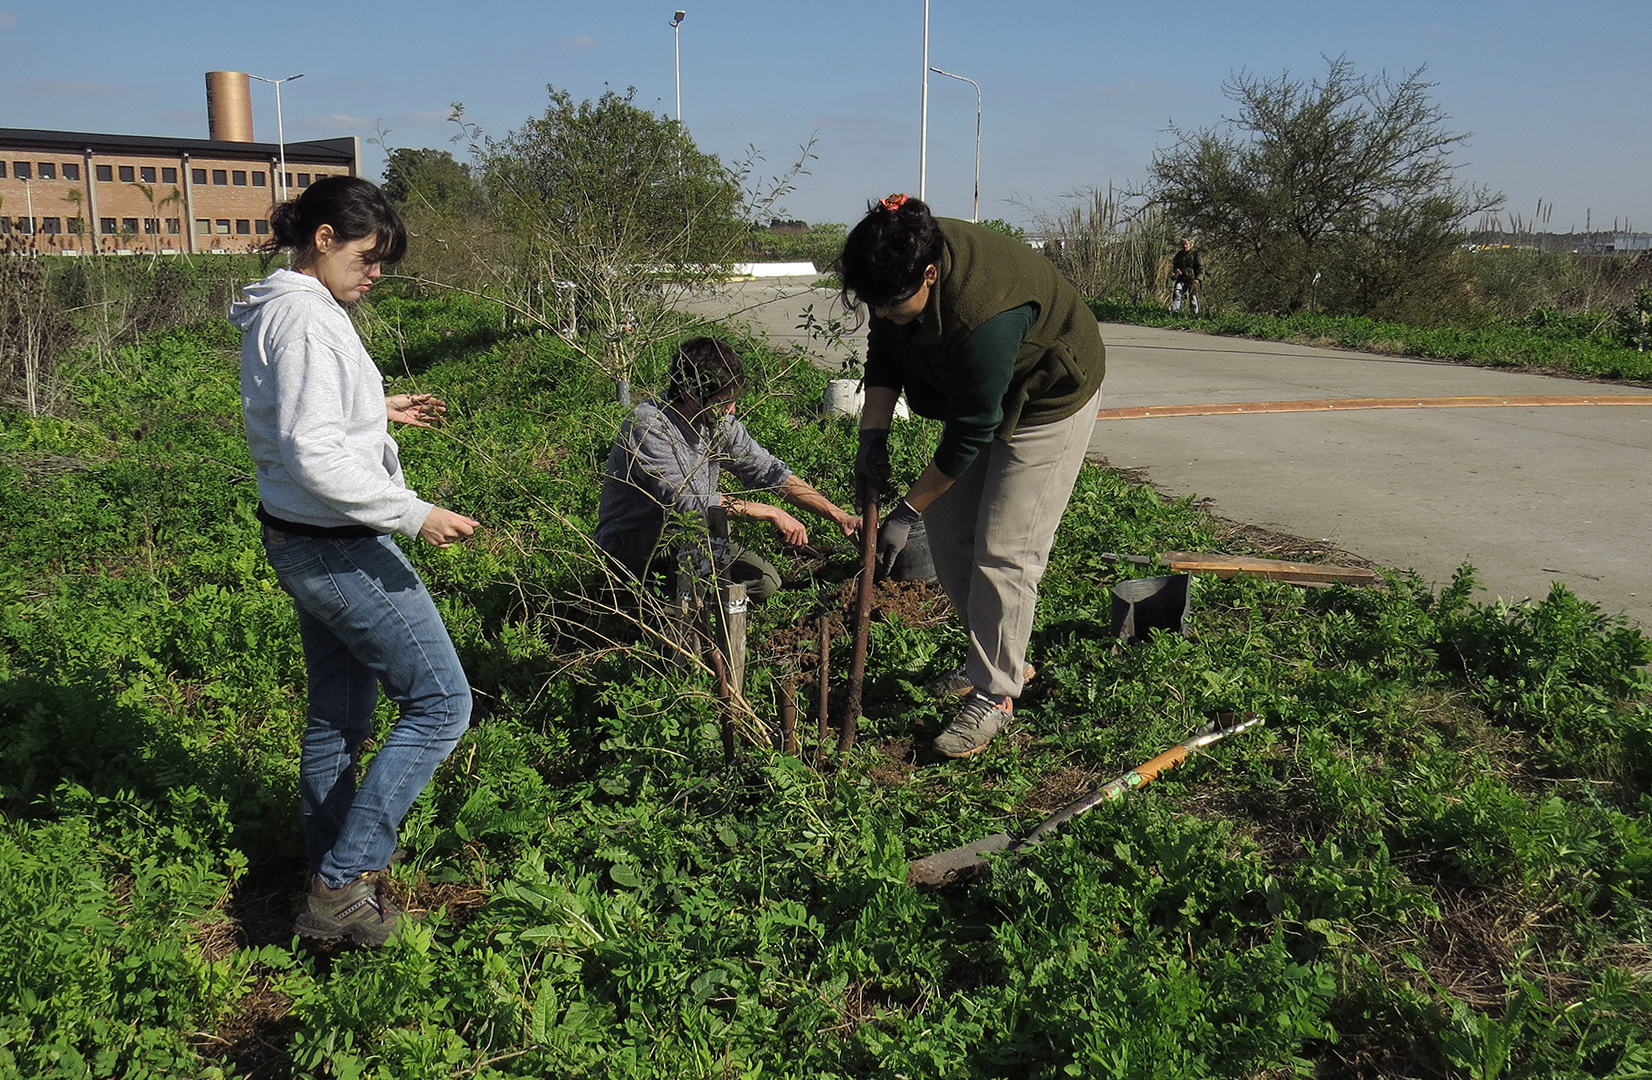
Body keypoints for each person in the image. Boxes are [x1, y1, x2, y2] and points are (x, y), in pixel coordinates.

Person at [231, 176, 478, 946]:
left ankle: (324, 872)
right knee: (443, 704)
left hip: (301, 538)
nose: (376, 274)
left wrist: (379, 411)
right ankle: (344, 884)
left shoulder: (296, 306)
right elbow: (309, 451)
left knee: (338, 718)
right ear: (326, 240)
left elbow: (307, 418)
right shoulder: (306, 319)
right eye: (369, 258)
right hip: (337, 546)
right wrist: (415, 514)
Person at [839, 194, 1106, 758]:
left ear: (930, 276)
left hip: (1047, 395)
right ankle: (995, 655)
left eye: (890, 303)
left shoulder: (985, 311)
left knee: (1007, 549)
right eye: (874, 303)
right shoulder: (896, 268)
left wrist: (905, 511)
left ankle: (996, 694)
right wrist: (872, 436)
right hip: (984, 396)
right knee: (951, 534)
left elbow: (970, 431)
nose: (882, 313)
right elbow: (885, 353)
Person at [595, 336, 858, 600]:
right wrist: (768, 512)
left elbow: (769, 472)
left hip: (694, 535)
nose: (731, 410)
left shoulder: (720, 423)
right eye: (722, 402)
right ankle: (660, 606)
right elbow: (688, 503)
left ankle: (686, 592)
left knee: (765, 581)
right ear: (690, 395)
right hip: (633, 544)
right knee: (699, 522)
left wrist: (838, 516)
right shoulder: (650, 426)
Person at [1171, 237, 1202, 314]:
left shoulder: (1195, 255)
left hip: (1192, 278)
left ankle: (1195, 314)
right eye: (1183, 244)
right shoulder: (1179, 254)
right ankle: (1175, 312)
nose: (1184, 246)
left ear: (1190, 245)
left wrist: (1198, 279)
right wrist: (1176, 270)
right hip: (1181, 278)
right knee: (1177, 293)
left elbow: (1201, 268)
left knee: (1193, 297)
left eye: (1186, 244)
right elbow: (1175, 265)